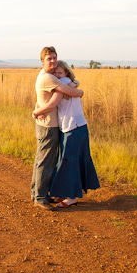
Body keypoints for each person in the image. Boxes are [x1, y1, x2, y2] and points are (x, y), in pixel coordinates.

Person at [33, 60, 100, 208]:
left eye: (60, 72)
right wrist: (75, 85)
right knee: (69, 161)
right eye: (55, 72)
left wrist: (36, 112)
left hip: (73, 127)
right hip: (74, 126)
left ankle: (71, 197)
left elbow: (53, 103)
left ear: (66, 73)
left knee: (69, 162)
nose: (57, 75)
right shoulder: (66, 83)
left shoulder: (62, 84)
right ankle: (65, 194)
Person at [31, 47, 85, 211]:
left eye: (54, 58)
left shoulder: (45, 75)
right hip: (48, 126)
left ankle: (36, 193)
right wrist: (79, 90)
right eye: (49, 59)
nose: (53, 61)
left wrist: (74, 83)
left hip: (47, 124)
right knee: (46, 162)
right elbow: (71, 92)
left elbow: (68, 85)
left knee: (41, 160)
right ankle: (40, 198)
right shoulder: (48, 78)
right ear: (42, 61)